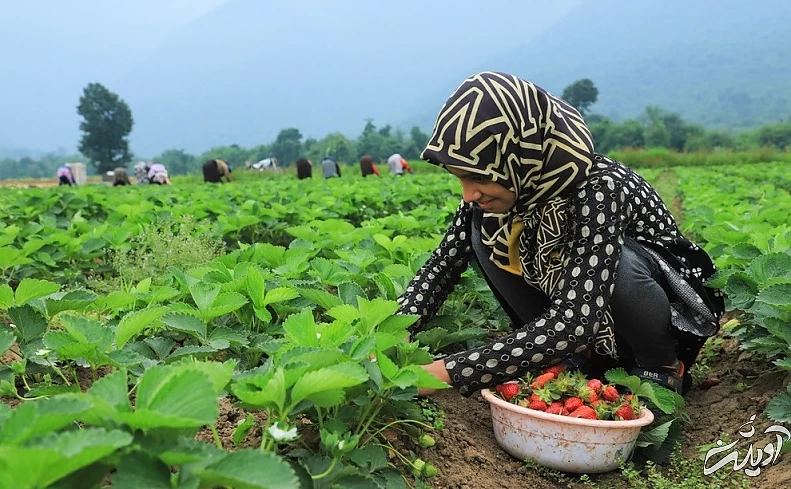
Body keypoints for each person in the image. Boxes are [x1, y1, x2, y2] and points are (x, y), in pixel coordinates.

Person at [397, 72, 724, 397]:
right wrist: (398, 328)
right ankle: (573, 360)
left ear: (518, 157)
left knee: (620, 265)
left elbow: (574, 324)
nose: (468, 193)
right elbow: (441, 267)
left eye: (478, 177)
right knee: (482, 228)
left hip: (654, 320)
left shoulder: (599, 188)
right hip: (575, 323)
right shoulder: (501, 195)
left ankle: (662, 369)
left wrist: (446, 373)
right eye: (461, 178)